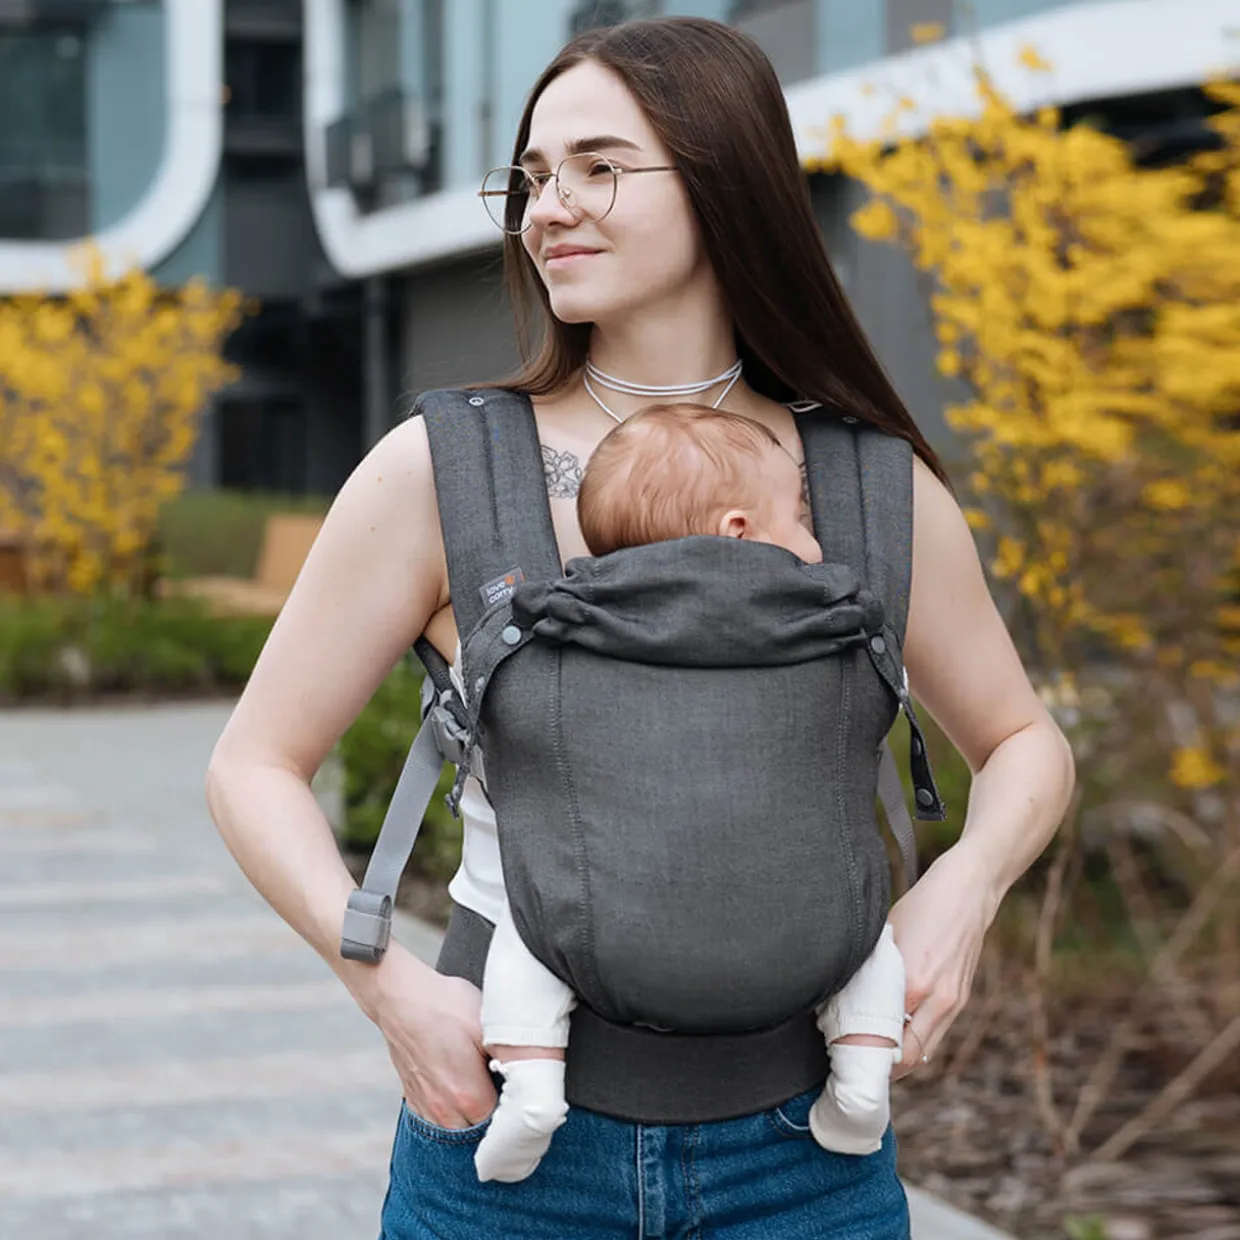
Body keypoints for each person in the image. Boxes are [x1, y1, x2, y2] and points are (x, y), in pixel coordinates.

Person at [205, 16, 1075, 1239]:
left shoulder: (869, 483)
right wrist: (386, 986)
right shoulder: (442, 470)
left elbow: (1024, 739)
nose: (547, 205)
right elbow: (253, 762)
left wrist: (964, 890)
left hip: (805, 1157)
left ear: (727, 179)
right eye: (532, 176)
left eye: (599, 167)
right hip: (506, 1149)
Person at [473, 402, 908, 1185]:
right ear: (739, 528)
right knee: (866, 937)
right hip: (800, 940)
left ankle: (532, 1087)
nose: (812, 541)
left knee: (526, 928)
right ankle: (863, 1079)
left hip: (596, 932)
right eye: (800, 519)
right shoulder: (825, 619)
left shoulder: (573, 619)